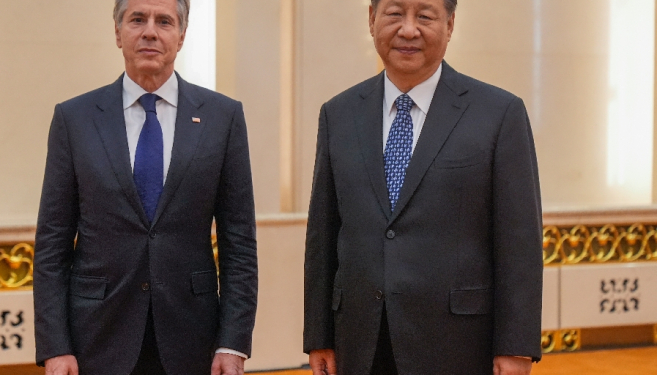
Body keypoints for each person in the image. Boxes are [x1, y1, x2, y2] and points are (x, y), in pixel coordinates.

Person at [304, 0, 542, 374]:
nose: (409, 30)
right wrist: (318, 335)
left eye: (425, 16)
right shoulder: (338, 113)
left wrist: (516, 347)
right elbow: (323, 233)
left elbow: (519, 243)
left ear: (449, 25)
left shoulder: (499, 114)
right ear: (371, 19)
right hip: (360, 342)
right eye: (395, 13)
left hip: (459, 343)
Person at [33, 0, 258, 374]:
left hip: (193, 340)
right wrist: (56, 346)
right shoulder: (74, 119)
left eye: (164, 21)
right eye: (137, 19)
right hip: (96, 339)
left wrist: (233, 342)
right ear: (118, 32)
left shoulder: (223, 117)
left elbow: (240, 244)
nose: (150, 31)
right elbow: (52, 244)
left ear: (182, 35)